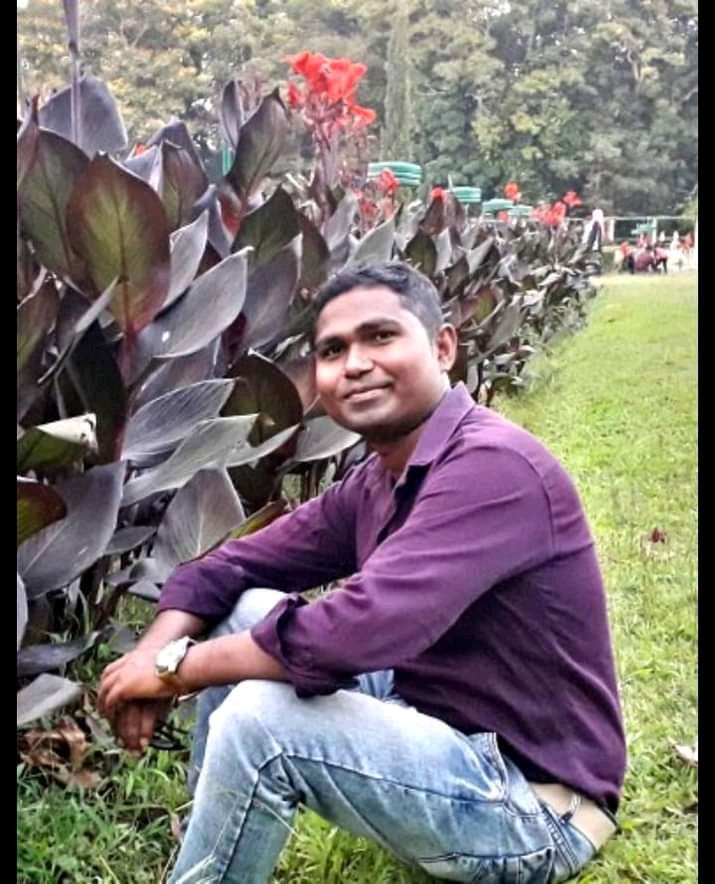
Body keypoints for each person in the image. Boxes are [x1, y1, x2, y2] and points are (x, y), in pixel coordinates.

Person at [98, 261, 627, 884]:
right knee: (245, 608)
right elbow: (233, 563)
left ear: (443, 347)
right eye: (333, 350)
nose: (354, 364)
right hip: (440, 734)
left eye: (381, 336)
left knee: (262, 720)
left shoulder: (493, 466)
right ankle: (216, 831)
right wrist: (153, 655)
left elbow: (354, 630)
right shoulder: (381, 476)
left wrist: (174, 671)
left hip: (533, 810)